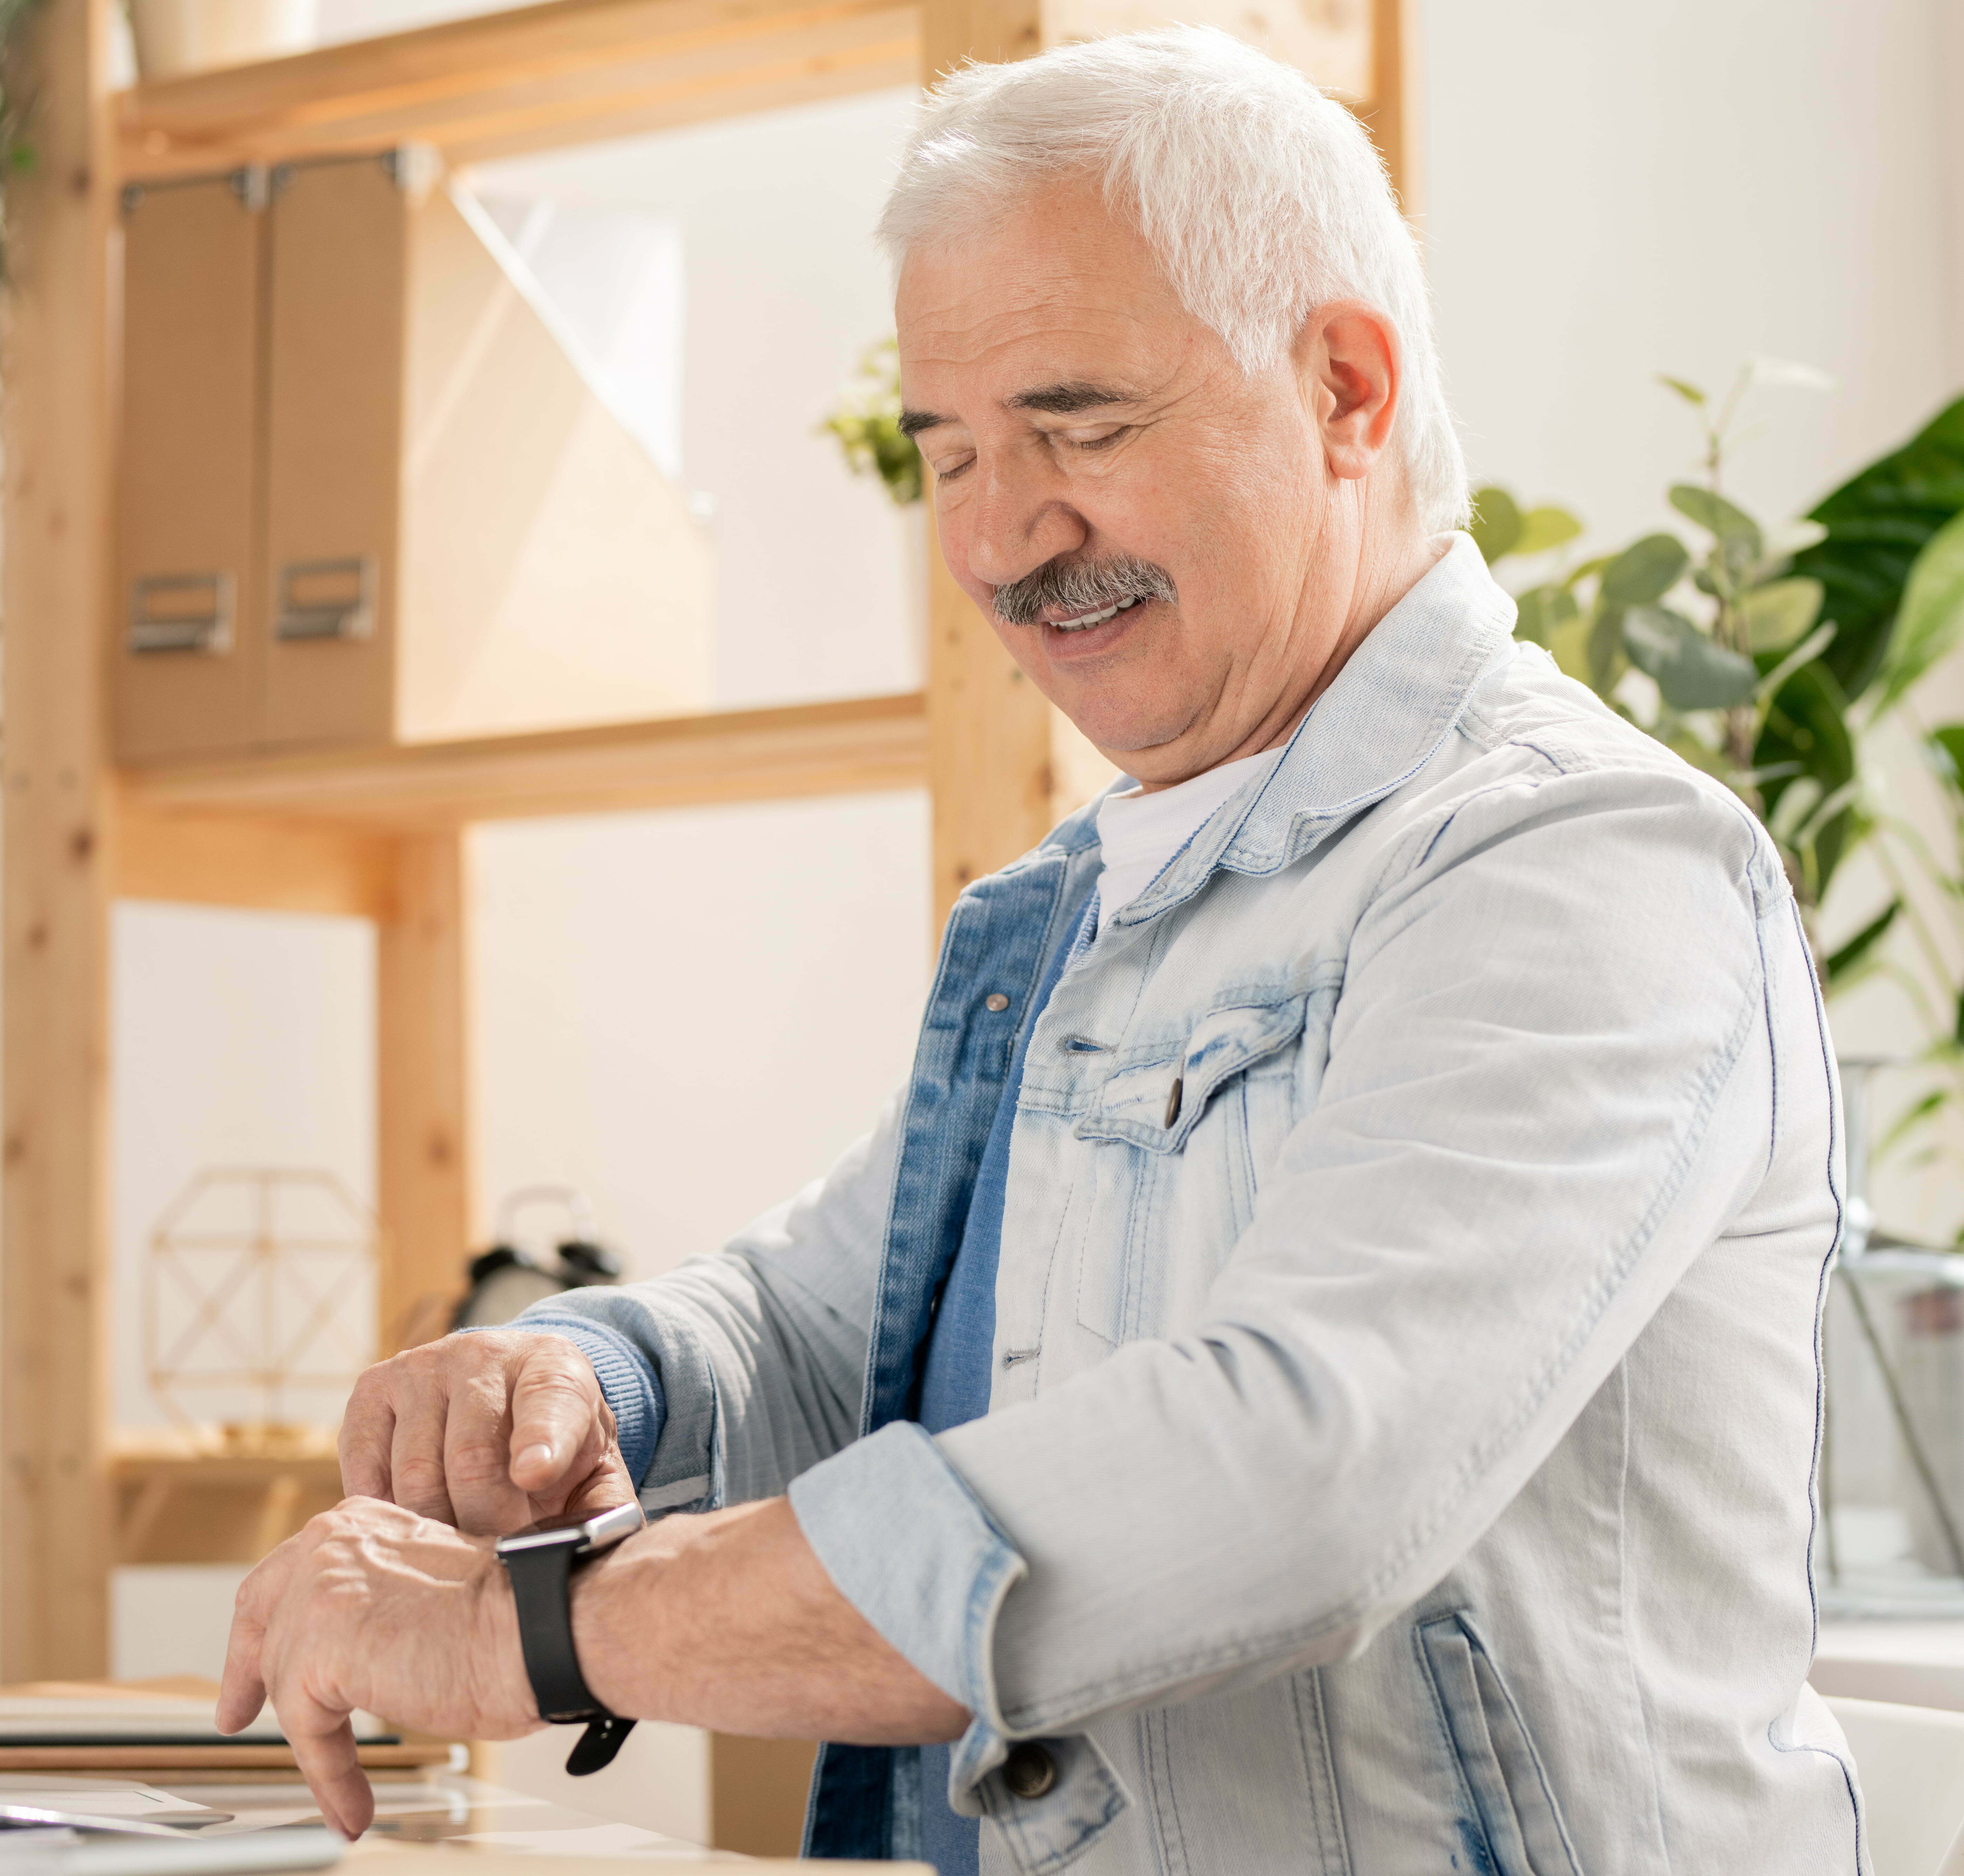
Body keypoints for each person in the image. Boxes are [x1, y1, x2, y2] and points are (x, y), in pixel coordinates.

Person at [215, 28, 1857, 1874]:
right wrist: (592, 1376)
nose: (1006, 535)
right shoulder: (1090, 900)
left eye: (1080, 426)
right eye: (953, 452)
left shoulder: (1577, 863)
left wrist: (541, 1627)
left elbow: (1291, 1477)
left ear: (1342, 389)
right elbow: (840, 1324)